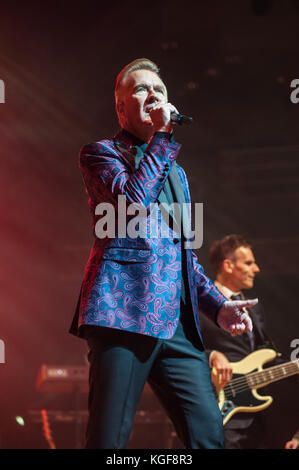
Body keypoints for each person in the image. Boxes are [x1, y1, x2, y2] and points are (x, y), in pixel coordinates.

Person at [69, 59, 257, 449]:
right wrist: (162, 137)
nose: (152, 94)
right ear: (121, 108)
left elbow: (183, 254)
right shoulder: (101, 153)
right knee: (108, 441)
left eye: (160, 89)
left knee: (209, 437)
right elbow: (132, 201)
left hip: (177, 326)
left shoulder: (177, 172)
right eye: (140, 89)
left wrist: (217, 305)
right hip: (124, 316)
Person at [198, 234, 281, 449]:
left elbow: (264, 351)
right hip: (219, 410)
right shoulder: (201, 304)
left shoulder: (254, 307)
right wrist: (212, 356)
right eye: (249, 263)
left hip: (256, 413)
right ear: (228, 265)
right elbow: (183, 347)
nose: (256, 269)